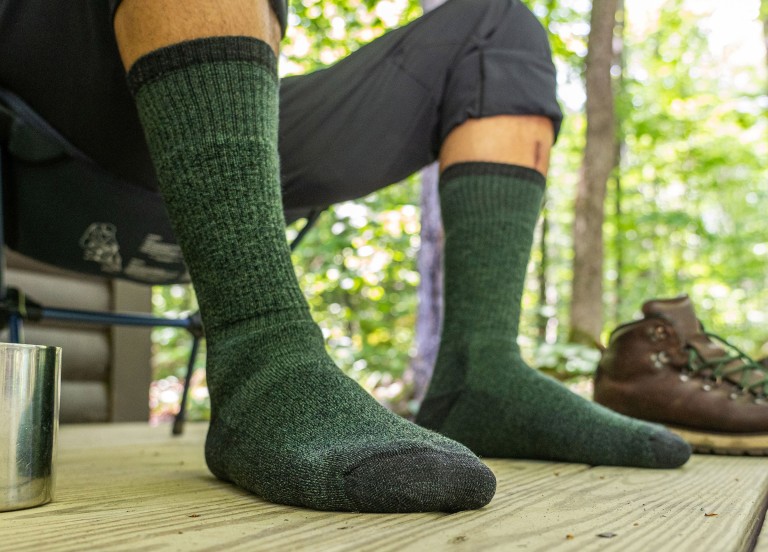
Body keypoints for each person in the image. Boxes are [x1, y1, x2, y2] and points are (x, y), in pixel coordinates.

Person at [0, 0, 690, 514]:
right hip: (37, 139)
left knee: (499, 30)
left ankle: (482, 374)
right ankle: (259, 350)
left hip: (219, 104)